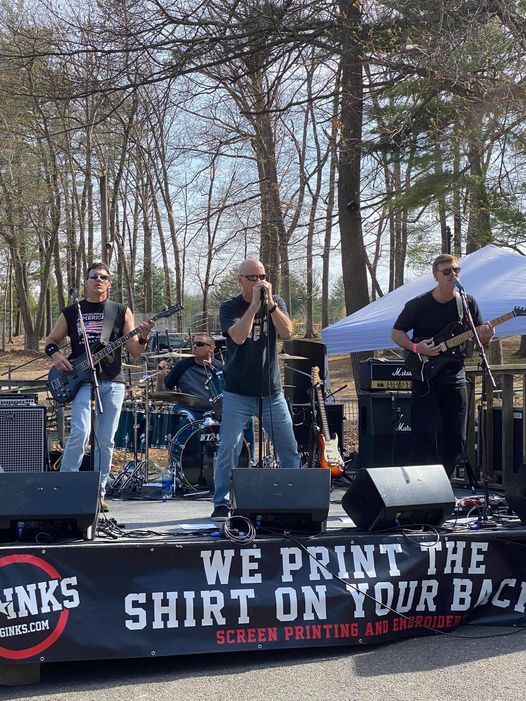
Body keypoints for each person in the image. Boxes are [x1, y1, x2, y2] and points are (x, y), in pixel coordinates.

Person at [45, 263, 155, 511]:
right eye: (93, 276)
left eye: (103, 277)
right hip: (81, 382)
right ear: (85, 282)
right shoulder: (72, 312)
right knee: (80, 434)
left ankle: (98, 493)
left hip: (112, 382)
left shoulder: (120, 311)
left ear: (109, 283)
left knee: (106, 440)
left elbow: (135, 351)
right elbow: (51, 340)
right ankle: (64, 490)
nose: (98, 280)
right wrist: (56, 356)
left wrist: (145, 335)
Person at [211, 258, 300, 521]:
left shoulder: (276, 302)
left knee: (288, 445)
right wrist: (253, 306)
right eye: (252, 277)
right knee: (229, 447)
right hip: (237, 391)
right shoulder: (229, 306)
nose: (258, 281)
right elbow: (238, 336)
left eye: (262, 276)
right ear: (239, 280)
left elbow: (288, 332)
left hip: (270, 391)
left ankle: (294, 498)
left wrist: (270, 304)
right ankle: (221, 501)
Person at [391, 253, 494, 477]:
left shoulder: (466, 302)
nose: (453, 274)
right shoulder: (418, 304)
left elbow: (479, 338)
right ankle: (422, 489)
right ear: (435, 275)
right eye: (447, 271)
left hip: (455, 375)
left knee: (457, 438)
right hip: (425, 376)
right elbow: (396, 332)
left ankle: (443, 484)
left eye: (456, 270)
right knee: (424, 436)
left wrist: (487, 336)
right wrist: (417, 348)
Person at [156, 332, 255, 460]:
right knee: (184, 419)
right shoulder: (182, 366)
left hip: (217, 411)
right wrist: (160, 377)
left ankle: (249, 462)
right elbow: (163, 394)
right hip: (190, 410)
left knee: (248, 419)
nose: (194, 346)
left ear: (211, 348)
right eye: (193, 344)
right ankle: (178, 463)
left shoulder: (221, 368)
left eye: (199, 344)